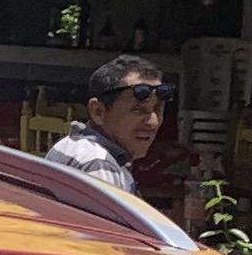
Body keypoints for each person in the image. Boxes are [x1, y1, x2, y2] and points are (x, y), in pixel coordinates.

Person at [46, 55, 168, 196]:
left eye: (157, 110)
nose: (153, 122)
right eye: (138, 110)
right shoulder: (99, 166)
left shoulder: (70, 144)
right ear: (98, 112)